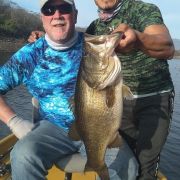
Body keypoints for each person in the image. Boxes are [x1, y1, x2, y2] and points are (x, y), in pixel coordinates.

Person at [28, 0, 175, 179]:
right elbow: (70, 42)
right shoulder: (93, 28)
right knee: (126, 162)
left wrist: (138, 39)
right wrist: (45, 36)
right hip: (117, 105)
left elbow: (167, 47)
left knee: (147, 165)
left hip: (154, 101)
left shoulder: (143, 10)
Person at [0, 0, 138, 180]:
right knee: (22, 155)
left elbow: (122, 26)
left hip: (99, 126)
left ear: (75, 14)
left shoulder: (94, 45)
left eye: (64, 8)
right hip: (52, 128)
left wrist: (125, 34)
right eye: (49, 10)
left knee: (126, 168)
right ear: (42, 18)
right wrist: (14, 121)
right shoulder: (28, 56)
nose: (57, 15)